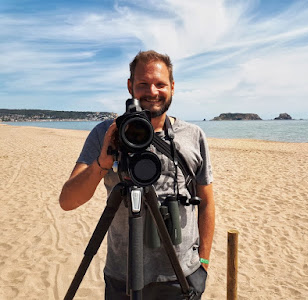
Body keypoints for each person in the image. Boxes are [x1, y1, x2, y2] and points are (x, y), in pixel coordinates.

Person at [59, 50, 215, 299]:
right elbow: (67, 201)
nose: (152, 92)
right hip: (123, 276)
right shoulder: (105, 133)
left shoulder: (193, 135)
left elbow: (206, 201)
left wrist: (204, 261)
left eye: (160, 84)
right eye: (143, 84)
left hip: (183, 275)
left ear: (172, 87)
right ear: (130, 86)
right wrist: (102, 162)